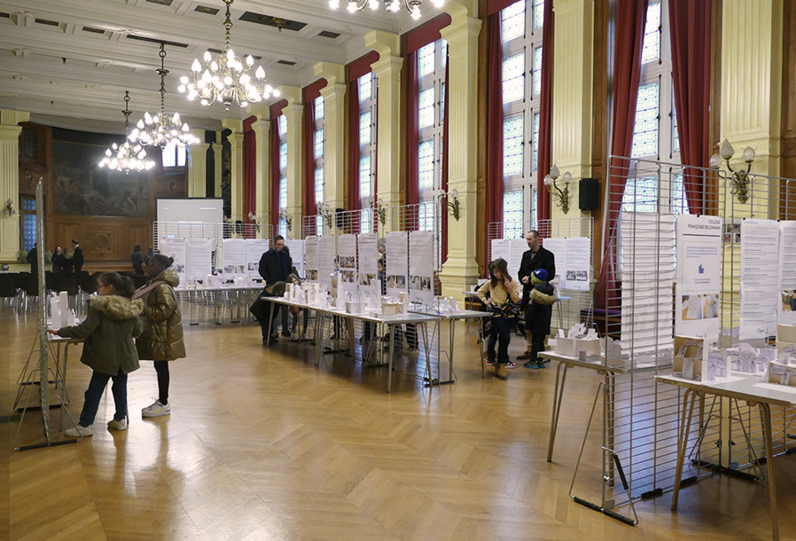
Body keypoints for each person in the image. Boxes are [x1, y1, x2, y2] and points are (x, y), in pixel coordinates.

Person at [49, 273, 143, 437]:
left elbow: (85, 329)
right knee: (120, 387)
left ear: (109, 287)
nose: (97, 290)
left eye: (99, 286)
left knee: (94, 390)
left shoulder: (99, 306)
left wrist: (62, 331)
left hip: (105, 355)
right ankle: (120, 419)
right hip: (126, 355)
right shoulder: (131, 306)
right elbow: (137, 331)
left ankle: (85, 424)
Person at [133, 254, 186, 418]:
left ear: (161, 268)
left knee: (162, 367)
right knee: (160, 366)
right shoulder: (154, 283)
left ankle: (163, 402)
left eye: (152, 265)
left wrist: (141, 308)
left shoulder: (162, 287)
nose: (147, 267)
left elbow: (164, 311)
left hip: (162, 334)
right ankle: (162, 401)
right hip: (158, 333)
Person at [477, 258, 520, 380]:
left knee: (505, 337)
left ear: (503, 270)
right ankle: (501, 363)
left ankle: (501, 362)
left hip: (508, 313)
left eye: (498, 271)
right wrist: (486, 301)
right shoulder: (491, 283)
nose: (496, 274)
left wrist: (509, 288)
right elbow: (480, 292)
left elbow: (516, 299)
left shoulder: (511, 282)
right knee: (503, 335)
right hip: (496, 313)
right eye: (493, 272)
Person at [517, 230, 556, 361]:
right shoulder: (525, 255)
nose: (528, 242)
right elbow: (521, 270)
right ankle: (530, 349)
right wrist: (523, 278)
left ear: (537, 239)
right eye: (527, 239)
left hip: (541, 293)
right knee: (529, 322)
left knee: (541, 324)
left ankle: (542, 351)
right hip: (528, 292)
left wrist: (534, 280)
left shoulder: (548, 255)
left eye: (530, 239)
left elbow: (550, 274)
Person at [257, 235, 292, 344]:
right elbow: (262, 270)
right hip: (271, 288)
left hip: (283, 287)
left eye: (282, 245)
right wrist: (269, 279)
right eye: (278, 244)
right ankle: (270, 334)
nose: (280, 246)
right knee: (270, 312)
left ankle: (284, 329)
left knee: (283, 310)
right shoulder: (266, 256)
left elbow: (289, 270)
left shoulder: (285, 256)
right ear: (274, 243)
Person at [522, 269, 556, 369]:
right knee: (541, 341)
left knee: (535, 342)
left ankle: (533, 361)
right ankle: (540, 360)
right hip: (545, 322)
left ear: (535, 280)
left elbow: (531, 311)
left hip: (536, 323)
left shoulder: (535, 295)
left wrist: (527, 324)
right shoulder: (549, 291)